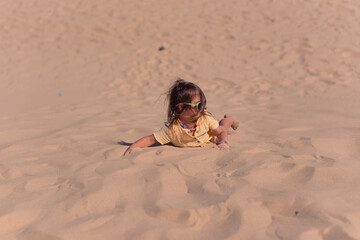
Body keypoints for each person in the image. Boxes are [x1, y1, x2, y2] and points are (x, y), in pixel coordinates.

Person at [123, 79, 239, 156]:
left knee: (223, 127)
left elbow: (220, 133)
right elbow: (150, 139)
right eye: (197, 105)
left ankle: (230, 119)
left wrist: (223, 142)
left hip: (211, 136)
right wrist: (133, 147)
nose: (201, 108)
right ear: (180, 107)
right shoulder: (172, 130)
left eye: (201, 104)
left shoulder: (205, 118)